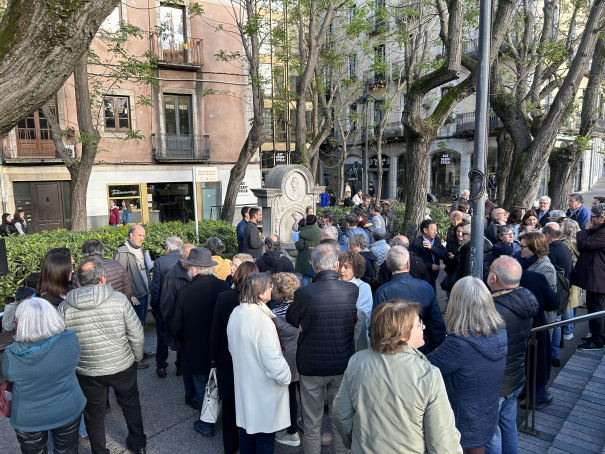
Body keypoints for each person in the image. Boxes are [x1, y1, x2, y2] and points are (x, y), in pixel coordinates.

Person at [332, 300, 463, 454]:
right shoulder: (428, 373)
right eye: (419, 323)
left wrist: (355, 443)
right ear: (403, 336)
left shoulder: (357, 361)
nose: (424, 326)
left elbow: (341, 413)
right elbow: (443, 442)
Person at [59, 257, 146, 454]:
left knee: (93, 415)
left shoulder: (65, 307)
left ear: (79, 282)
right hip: (122, 364)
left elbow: (63, 344)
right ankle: (139, 445)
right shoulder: (119, 300)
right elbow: (137, 335)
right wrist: (136, 357)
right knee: (131, 406)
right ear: (103, 279)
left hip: (87, 370)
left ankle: (99, 450)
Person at [286, 244, 358, 454]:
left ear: (313, 266)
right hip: (341, 362)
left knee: (312, 422)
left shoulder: (304, 292)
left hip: (310, 364)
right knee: (340, 419)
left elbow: (291, 317)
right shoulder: (351, 290)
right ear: (336, 265)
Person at [427, 277, 507, 454]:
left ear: (457, 305)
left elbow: (424, 369)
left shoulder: (458, 344)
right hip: (486, 413)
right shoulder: (500, 331)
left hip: (462, 420)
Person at [2, 297, 86, 454]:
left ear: (19, 323)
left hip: (28, 416)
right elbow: (75, 360)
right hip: (67, 407)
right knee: (68, 450)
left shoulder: (11, 352)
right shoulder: (69, 339)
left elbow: (9, 375)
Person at [168, 247, 231, 437]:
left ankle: (206, 423)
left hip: (194, 349)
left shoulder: (185, 292)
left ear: (194, 269)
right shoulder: (224, 287)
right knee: (221, 384)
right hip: (221, 347)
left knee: (203, 387)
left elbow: (174, 325)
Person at [228, 273, 291, 453]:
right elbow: (273, 361)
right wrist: (286, 377)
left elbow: (232, 348)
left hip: (245, 386)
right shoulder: (262, 320)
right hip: (264, 391)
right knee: (264, 440)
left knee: (247, 435)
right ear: (260, 292)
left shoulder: (236, 312)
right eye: (269, 285)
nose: (272, 288)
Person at [484, 258, 539, 454]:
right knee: (508, 426)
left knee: (491, 434)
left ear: (494, 277)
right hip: (516, 377)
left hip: (496, 382)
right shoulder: (526, 298)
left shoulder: (492, 309)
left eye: (489, 270)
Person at [210, 262, 259, 454]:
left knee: (229, 408)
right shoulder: (259, 300)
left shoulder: (223, 298)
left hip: (226, 360)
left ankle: (230, 447)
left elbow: (216, 333)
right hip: (251, 361)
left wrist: (213, 361)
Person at [374, 246, 445, 354]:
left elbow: (377, 327)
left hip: (394, 351)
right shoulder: (426, 287)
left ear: (388, 265)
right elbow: (436, 321)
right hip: (424, 346)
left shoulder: (382, 291)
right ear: (408, 264)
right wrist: (436, 347)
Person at [271, 273, 303, 447]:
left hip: (288, 358)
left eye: (273, 287)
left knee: (290, 395)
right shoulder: (301, 306)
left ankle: (292, 432)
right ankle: (305, 423)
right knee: (305, 394)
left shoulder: (278, 314)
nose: (270, 289)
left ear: (282, 292)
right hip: (303, 354)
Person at [570, 202, 605, 350]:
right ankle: (599, 335)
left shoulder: (603, 232)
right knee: (597, 307)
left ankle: (597, 339)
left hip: (598, 279)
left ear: (602, 217)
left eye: (593, 217)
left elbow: (585, 245)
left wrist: (585, 230)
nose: (590, 220)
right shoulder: (600, 229)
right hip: (598, 277)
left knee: (595, 308)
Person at [148, 236, 183, 378]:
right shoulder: (184, 261)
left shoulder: (160, 262)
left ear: (168, 248)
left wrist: (155, 304)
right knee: (181, 334)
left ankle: (161, 366)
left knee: (162, 336)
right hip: (181, 305)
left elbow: (155, 287)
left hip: (164, 304)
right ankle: (180, 365)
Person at [160, 243, 195, 381]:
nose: (193, 260)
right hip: (183, 323)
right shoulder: (171, 277)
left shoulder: (195, 270)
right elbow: (167, 305)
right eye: (189, 257)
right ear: (181, 258)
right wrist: (175, 327)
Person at [114, 225, 152, 329]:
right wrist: (129, 295)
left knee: (141, 325)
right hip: (134, 297)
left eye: (143, 236)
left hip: (143, 292)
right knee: (135, 328)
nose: (142, 238)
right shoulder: (122, 252)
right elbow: (119, 277)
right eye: (139, 235)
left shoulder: (140, 249)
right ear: (131, 235)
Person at [338, 251, 373, 349]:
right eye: (340, 266)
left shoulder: (363, 287)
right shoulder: (334, 283)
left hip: (355, 337)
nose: (342, 270)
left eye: (346, 267)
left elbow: (363, 314)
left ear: (356, 269)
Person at [409, 219, 449, 291]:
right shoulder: (417, 244)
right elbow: (413, 262)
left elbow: (445, 254)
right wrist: (429, 266)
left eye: (436, 230)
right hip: (422, 280)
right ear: (425, 230)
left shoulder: (436, 240)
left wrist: (432, 248)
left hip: (433, 278)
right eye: (433, 230)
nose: (435, 232)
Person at [560, 219, 582, 341]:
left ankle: (568, 331)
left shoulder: (565, 243)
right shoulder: (580, 242)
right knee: (573, 302)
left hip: (569, 274)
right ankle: (571, 328)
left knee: (568, 303)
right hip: (578, 273)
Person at [295, 214, 321, 282]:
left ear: (306, 222)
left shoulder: (302, 232)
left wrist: (296, 243)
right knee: (317, 276)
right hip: (317, 256)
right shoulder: (320, 231)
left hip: (305, 257)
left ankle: (304, 292)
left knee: (305, 277)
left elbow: (300, 246)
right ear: (316, 222)